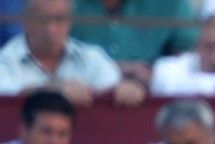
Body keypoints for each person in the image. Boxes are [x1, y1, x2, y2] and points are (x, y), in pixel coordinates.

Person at [0, 0, 144, 103]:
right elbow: (6, 102)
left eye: (59, 19)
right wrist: (53, 91)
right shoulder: (4, 60)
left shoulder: (93, 58)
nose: (51, 28)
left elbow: (113, 87)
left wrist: (125, 90)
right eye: (43, 19)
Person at [71, 0, 199, 85]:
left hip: (151, 103)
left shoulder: (170, 4)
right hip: (75, 101)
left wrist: (155, 76)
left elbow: (190, 63)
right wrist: (113, 70)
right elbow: (52, 60)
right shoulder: (63, 4)